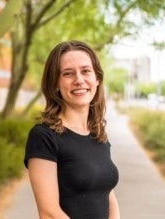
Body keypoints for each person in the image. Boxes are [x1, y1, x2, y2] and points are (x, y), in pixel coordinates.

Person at [24, 40, 120, 219]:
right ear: (55, 84)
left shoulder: (98, 134)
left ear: (97, 79)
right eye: (68, 73)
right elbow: (49, 213)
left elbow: (108, 195)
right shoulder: (44, 137)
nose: (79, 80)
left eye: (86, 71)